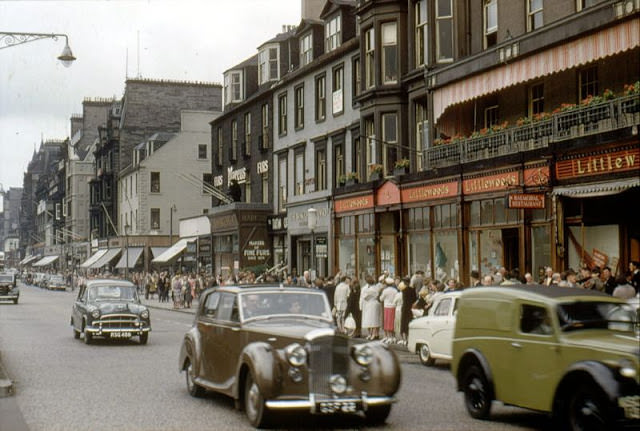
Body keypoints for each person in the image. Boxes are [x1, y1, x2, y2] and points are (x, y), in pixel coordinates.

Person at [360, 275, 381, 340]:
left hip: (371, 304)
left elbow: (364, 297)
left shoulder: (371, 289)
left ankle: (373, 334)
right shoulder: (374, 288)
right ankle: (373, 334)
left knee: (372, 320)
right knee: (371, 319)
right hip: (371, 304)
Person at [379, 277, 398, 343]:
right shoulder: (395, 290)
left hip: (387, 307)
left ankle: (389, 337)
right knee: (393, 322)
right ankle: (393, 336)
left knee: (387, 322)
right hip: (394, 307)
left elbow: (381, 299)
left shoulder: (385, 291)